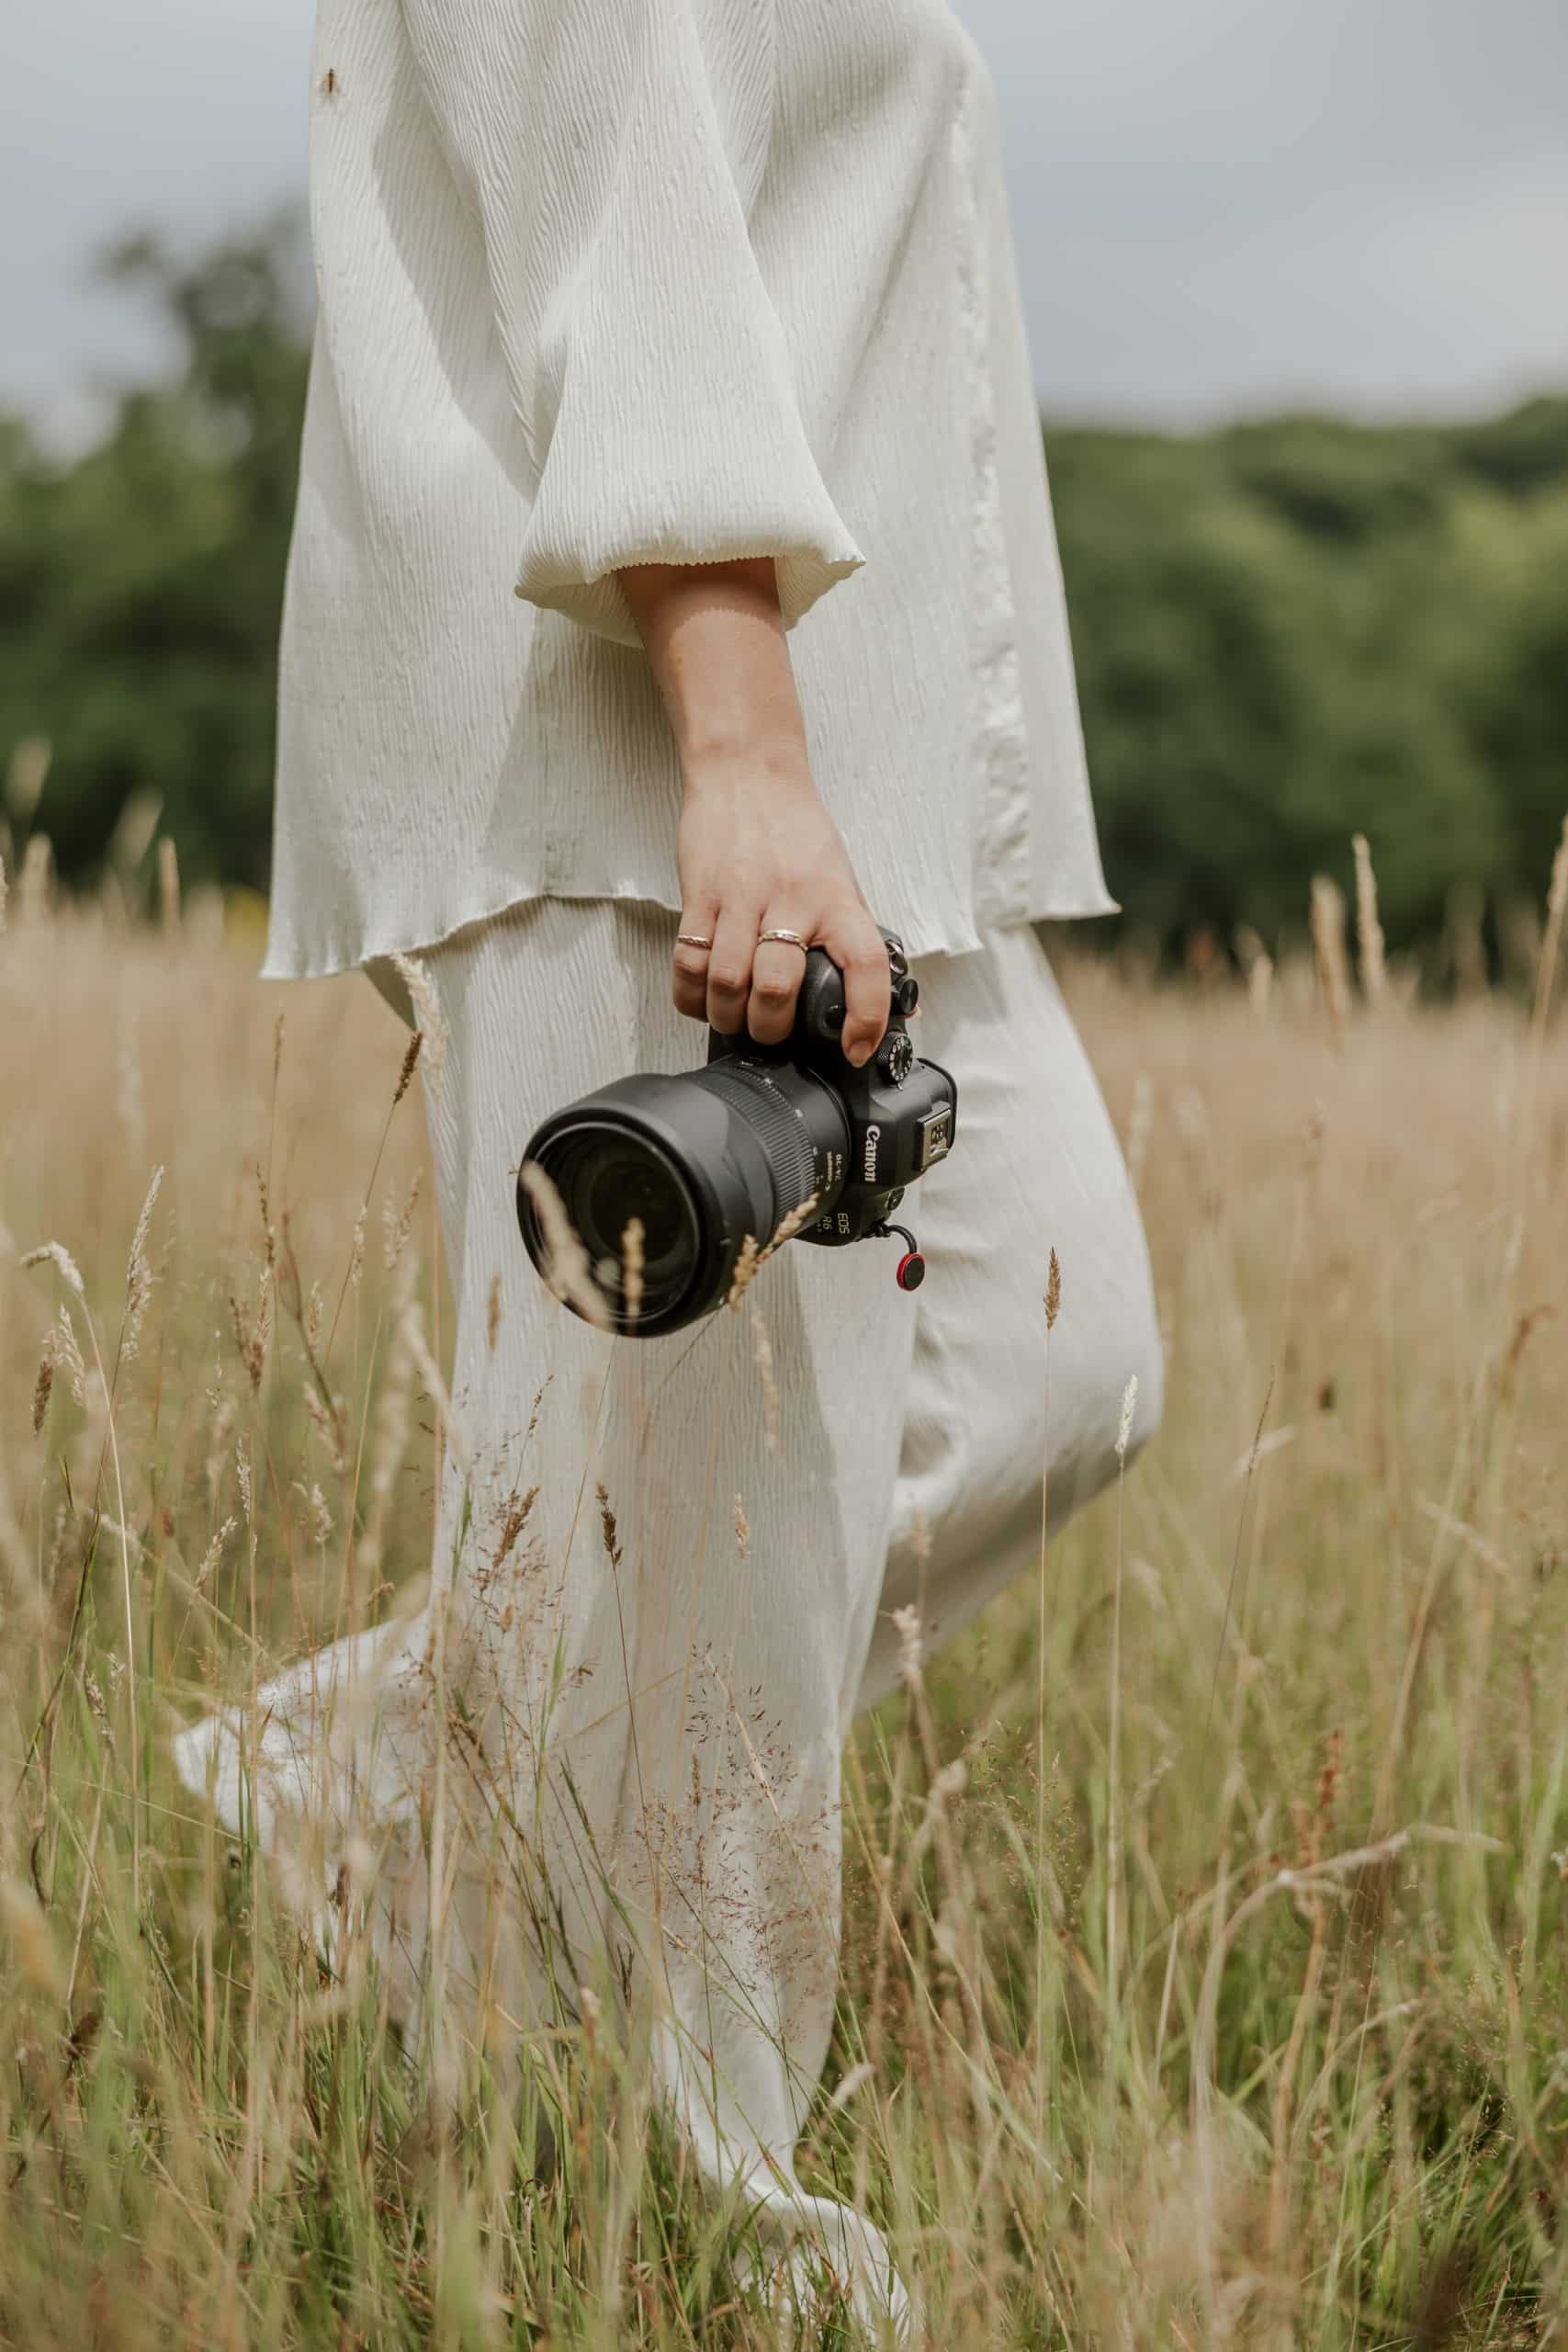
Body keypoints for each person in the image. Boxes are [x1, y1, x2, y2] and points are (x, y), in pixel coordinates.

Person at [175, 0, 1163, 2330]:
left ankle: (366, 1796)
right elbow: (617, 181)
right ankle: (709, 2242)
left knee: (1062, 1359)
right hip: (643, 743)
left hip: (863, 762)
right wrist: (737, 744)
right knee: (717, 1533)